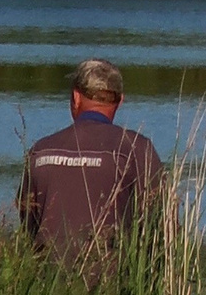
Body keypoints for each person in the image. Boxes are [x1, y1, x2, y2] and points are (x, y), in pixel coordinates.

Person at [18, 55, 165, 281]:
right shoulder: (136, 149)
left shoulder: (41, 150)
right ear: (120, 101)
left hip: (46, 287)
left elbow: (27, 222)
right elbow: (161, 225)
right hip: (111, 290)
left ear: (76, 97)